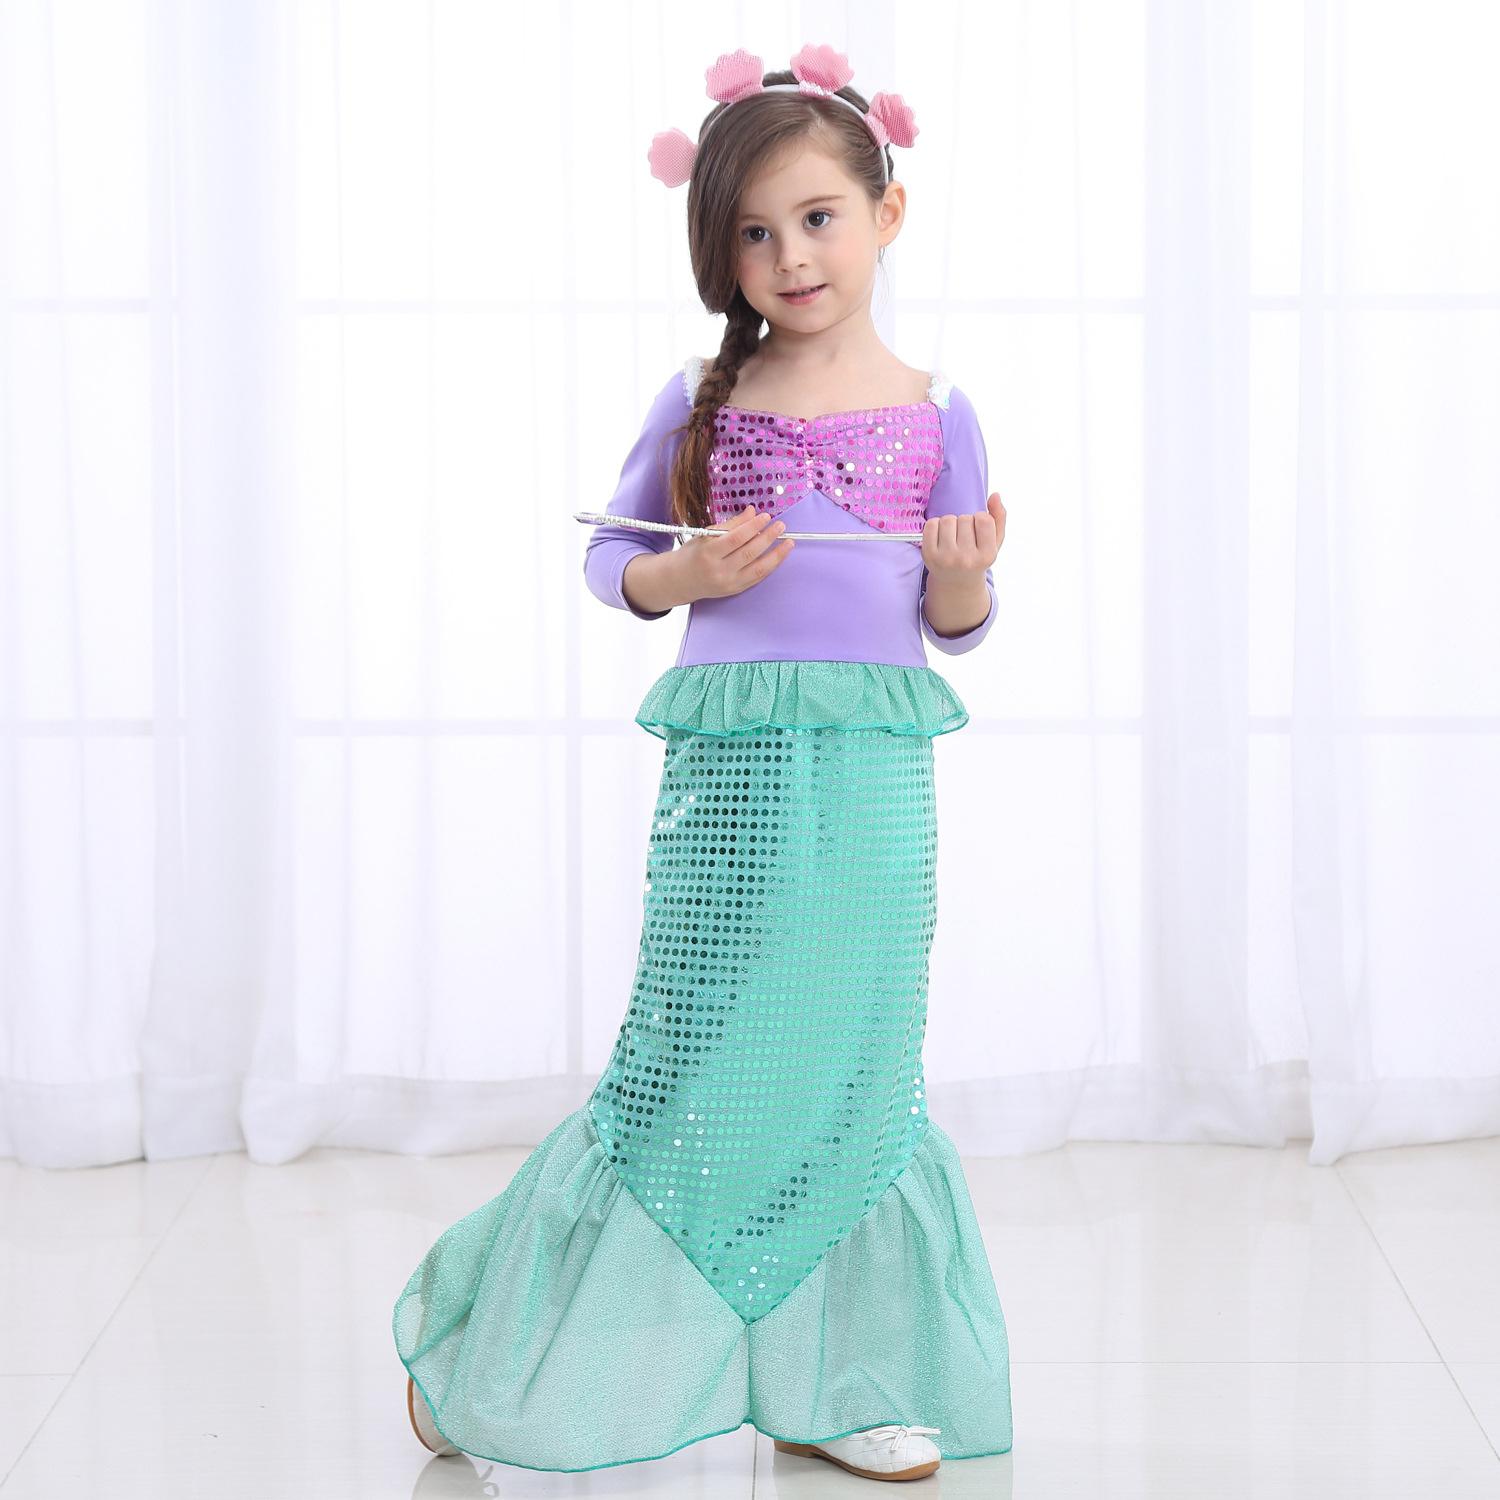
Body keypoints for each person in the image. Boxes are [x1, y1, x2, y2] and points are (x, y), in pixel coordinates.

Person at [393, 42, 1013, 1482]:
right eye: (752, 232)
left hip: (873, 782)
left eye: (818, 218)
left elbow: (960, 623)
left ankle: (833, 1377)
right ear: (718, 250)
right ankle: (484, 1345)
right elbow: (614, 560)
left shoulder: (938, 408)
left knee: (856, 1068)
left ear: (887, 214)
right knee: (690, 1066)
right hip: (734, 782)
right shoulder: (701, 398)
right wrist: (689, 575)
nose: (789, 256)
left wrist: (963, 576)